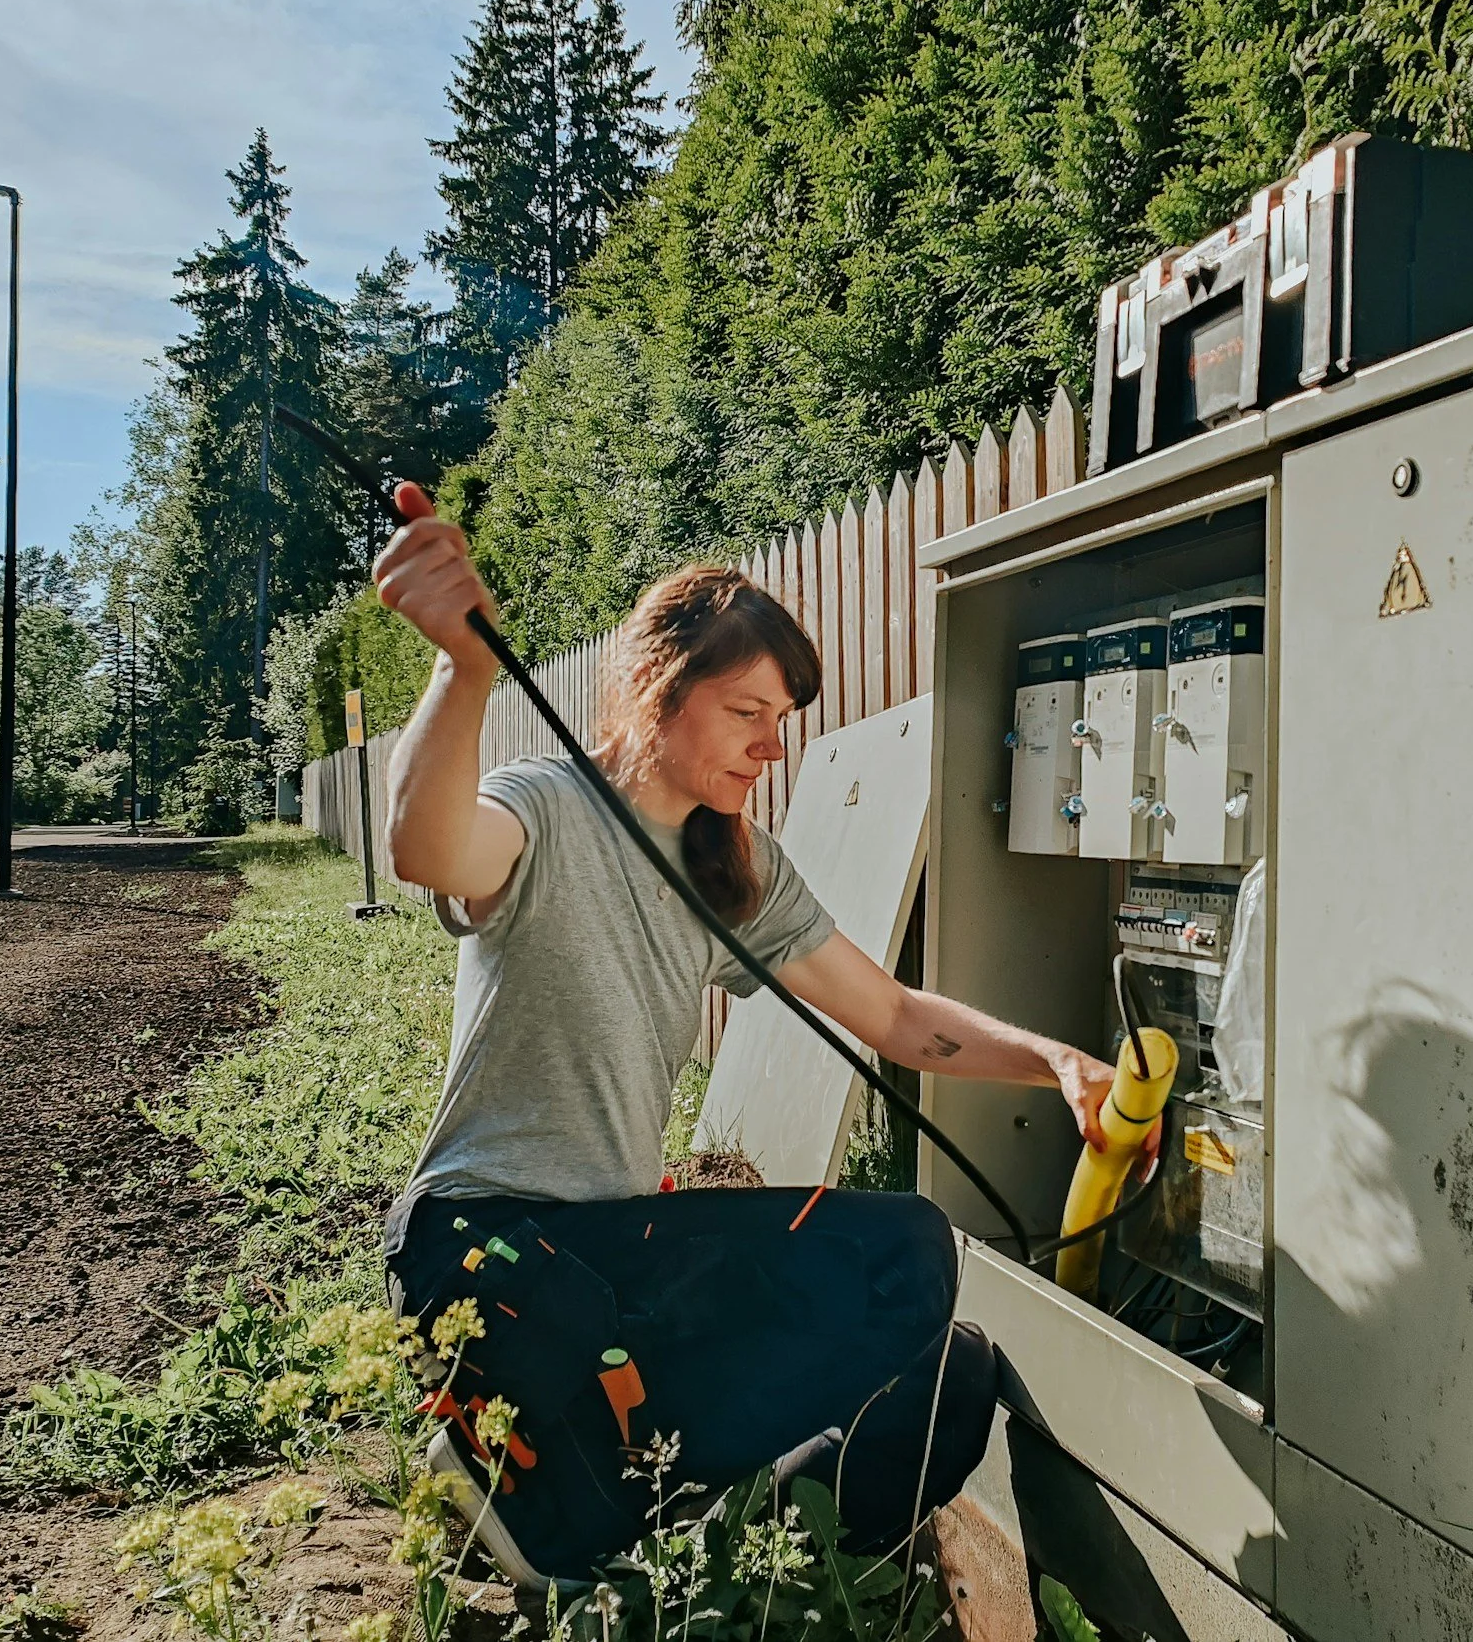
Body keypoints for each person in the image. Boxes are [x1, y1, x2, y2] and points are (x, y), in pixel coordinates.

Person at [370, 481, 1129, 1587]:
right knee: (900, 1251)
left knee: (948, 1373)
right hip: (484, 1252)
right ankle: (560, 1505)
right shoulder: (542, 806)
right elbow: (426, 847)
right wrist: (463, 669)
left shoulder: (739, 871)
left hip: (614, 1258)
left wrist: (1056, 1060)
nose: (771, 747)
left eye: (783, 722)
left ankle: (658, 1525)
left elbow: (900, 1019)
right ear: (653, 691)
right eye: (746, 713)